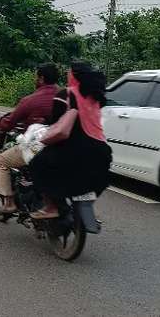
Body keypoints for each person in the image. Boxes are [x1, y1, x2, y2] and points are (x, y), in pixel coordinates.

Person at [28, 61, 111, 219]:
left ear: (74, 76)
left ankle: (51, 206)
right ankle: (84, 207)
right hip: (102, 151)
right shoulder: (97, 97)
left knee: (36, 164)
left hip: (77, 147)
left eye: (69, 72)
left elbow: (57, 124)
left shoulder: (66, 94)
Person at [0, 63, 61, 214]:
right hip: (61, 146)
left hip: (36, 146)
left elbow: (9, 123)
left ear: (41, 78)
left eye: (36, 76)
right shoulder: (65, 96)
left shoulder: (30, 100)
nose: (35, 79)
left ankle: (9, 203)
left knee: (0, 161)